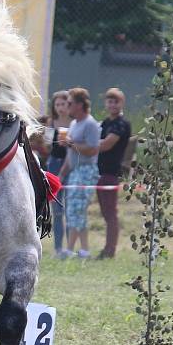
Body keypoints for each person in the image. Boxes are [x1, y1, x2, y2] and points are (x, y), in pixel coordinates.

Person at [58, 87, 100, 259]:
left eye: (70, 103)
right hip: (75, 170)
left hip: (86, 171)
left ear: (80, 105)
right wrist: (62, 173)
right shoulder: (74, 124)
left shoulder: (90, 124)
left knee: (76, 210)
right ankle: (84, 250)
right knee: (74, 210)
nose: (67, 106)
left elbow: (92, 149)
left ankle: (69, 249)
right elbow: (71, 153)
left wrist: (71, 144)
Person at [96, 87, 131, 259]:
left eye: (115, 101)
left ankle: (110, 250)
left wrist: (83, 144)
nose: (112, 104)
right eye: (109, 101)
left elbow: (107, 144)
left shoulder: (121, 124)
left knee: (111, 213)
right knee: (105, 212)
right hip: (100, 172)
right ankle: (108, 247)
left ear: (121, 103)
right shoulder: (105, 123)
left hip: (111, 173)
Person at [45, 90, 72, 258]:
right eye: (58, 104)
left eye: (63, 104)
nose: (61, 107)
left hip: (70, 163)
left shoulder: (75, 122)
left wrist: (69, 143)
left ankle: (70, 247)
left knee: (70, 208)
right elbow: (48, 145)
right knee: (57, 208)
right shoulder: (51, 122)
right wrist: (54, 140)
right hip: (54, 163)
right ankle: (58, 248)